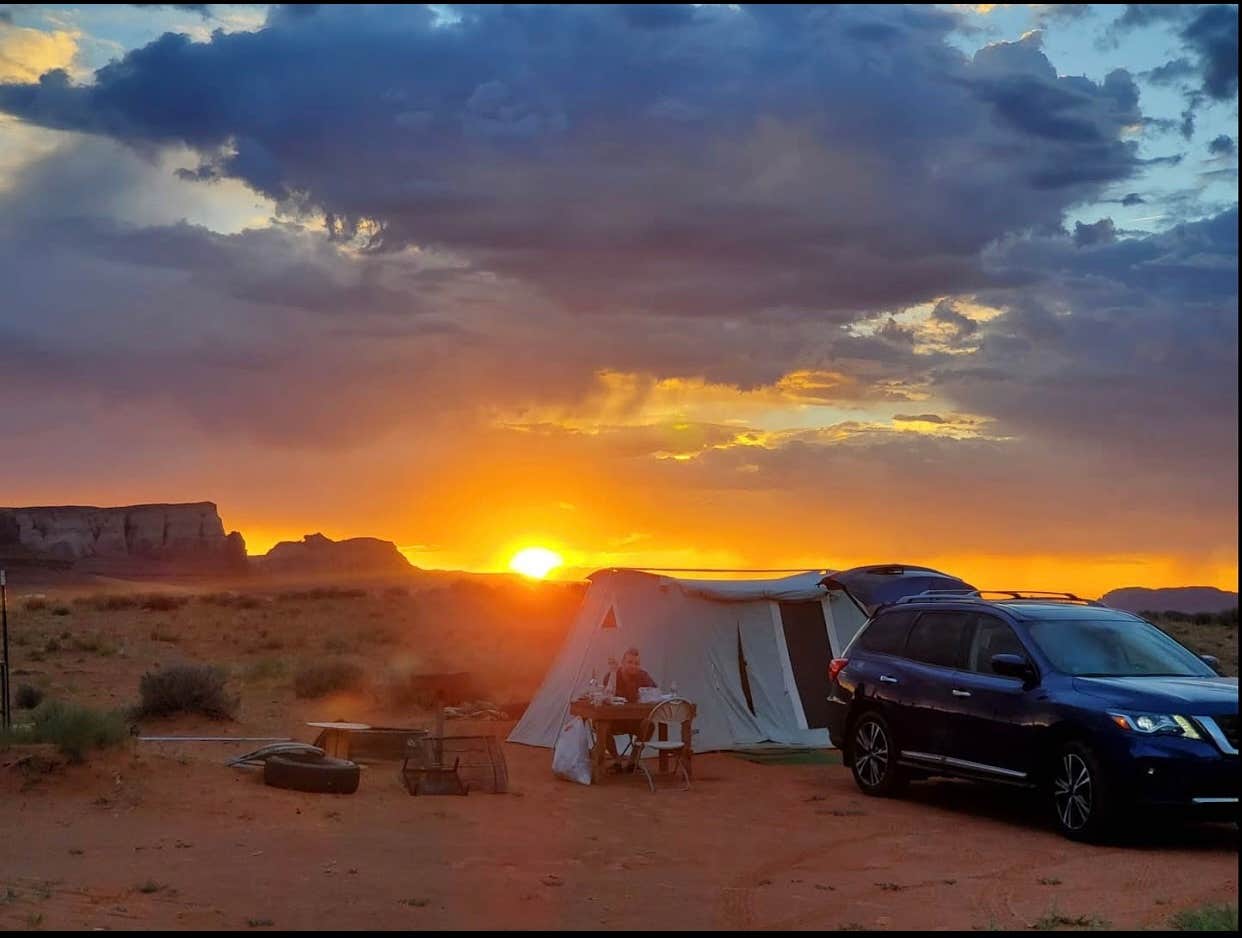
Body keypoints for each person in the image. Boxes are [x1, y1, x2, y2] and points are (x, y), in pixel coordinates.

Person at [602, 647, 657, 764]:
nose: (633, 666)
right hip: (614, 721)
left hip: (634, 721)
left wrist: (647, 695)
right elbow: (607, 694)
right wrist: (613, 673)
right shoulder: (612, 675)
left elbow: (654, 691)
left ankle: (633, 759)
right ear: (622, 663)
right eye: (630, 662)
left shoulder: (643, 675)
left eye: (636, 663)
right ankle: (616, 760)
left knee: (649, 725)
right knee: (601, 727)